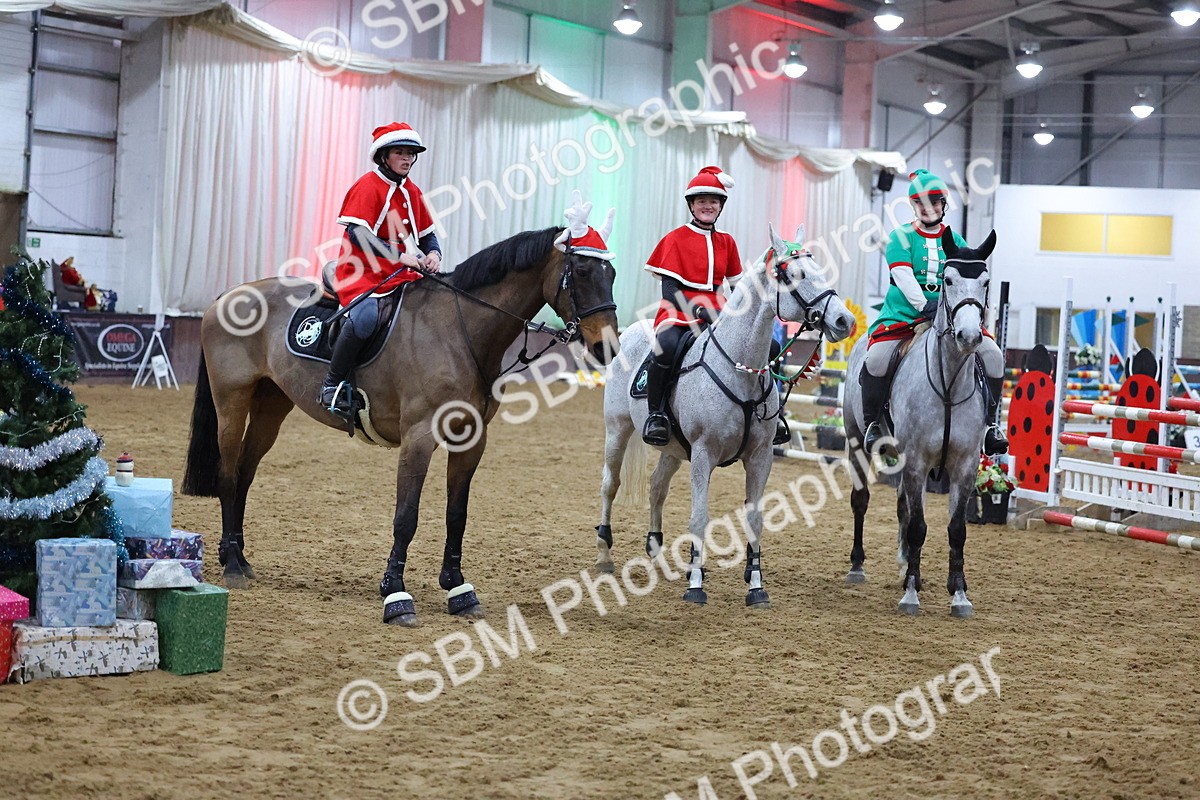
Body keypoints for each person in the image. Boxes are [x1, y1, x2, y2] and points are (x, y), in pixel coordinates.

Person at [641, 166, 792, 448]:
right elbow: (670, 292)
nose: (707, 206)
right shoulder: (675, 238)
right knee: (667, 346)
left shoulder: (727, 242)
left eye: (713, 201)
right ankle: (656, 414)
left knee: (770, 348)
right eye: (702, 201)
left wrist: (747, 314)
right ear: (691, 205)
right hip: (679, 311)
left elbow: (738, 289)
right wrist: (698, 312)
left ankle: (772, 412)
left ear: (721, 205)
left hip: (720, 312)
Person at [861, 169, 1008, 456]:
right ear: (913, 205)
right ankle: (873, 424)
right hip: (904, 316)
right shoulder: (901, 237)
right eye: (921, 203)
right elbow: (902, 276)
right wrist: (923, 305)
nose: (928, 208)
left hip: (953, 318)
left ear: (943, 204)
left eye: (934, 202)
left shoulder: (957, 241)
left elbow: (969, 281)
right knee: (876, 360)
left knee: (994, 356)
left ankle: (990, 426)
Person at [318, 122, 443, 416]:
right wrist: (400, 255)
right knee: (365, 318)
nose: (407, 159)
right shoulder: (367, 185)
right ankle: (331, 385)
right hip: (361, 269)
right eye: (400, 153)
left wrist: (434, 253)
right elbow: (357, 234)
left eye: (411, 154)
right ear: (384, 156)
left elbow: (427, 235)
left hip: (400, 271)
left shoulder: (412, 191)